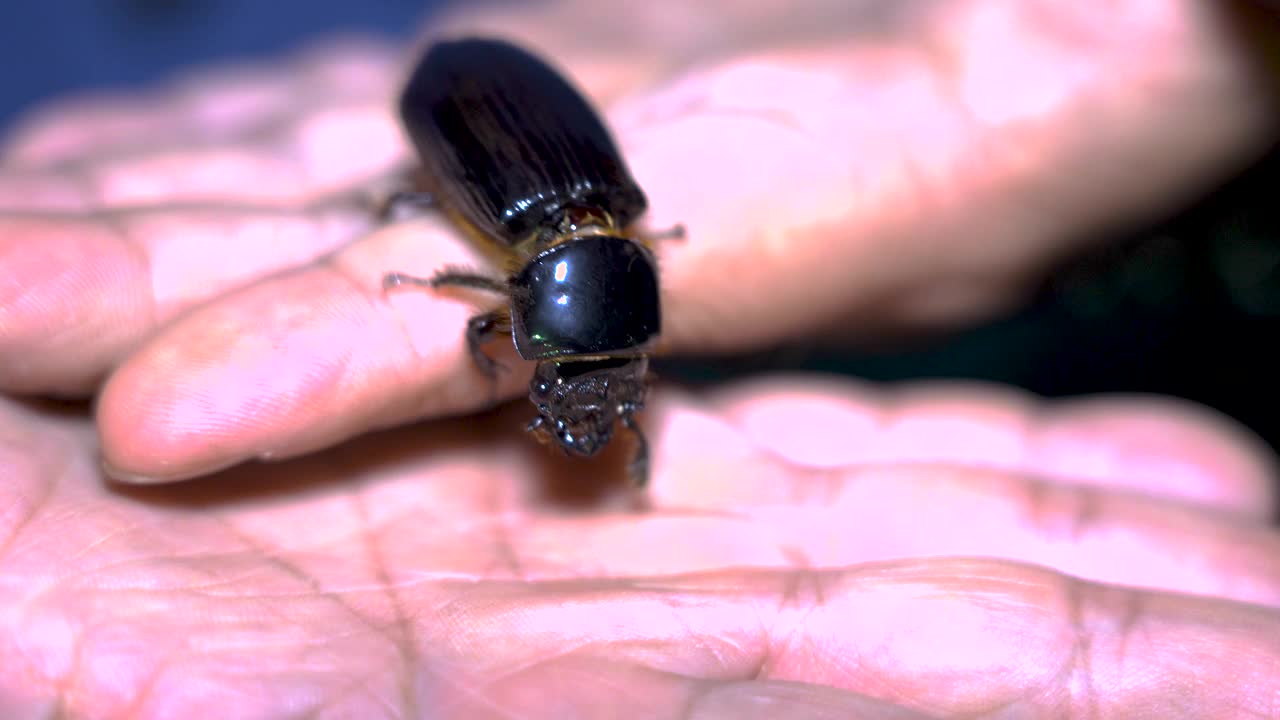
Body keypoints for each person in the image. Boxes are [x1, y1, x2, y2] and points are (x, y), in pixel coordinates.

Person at [1, 1, 1278, 716]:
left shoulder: (560, 261)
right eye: (588, 379)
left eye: (596, 380)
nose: (595, 394)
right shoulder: (531, 247)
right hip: (460, 109)